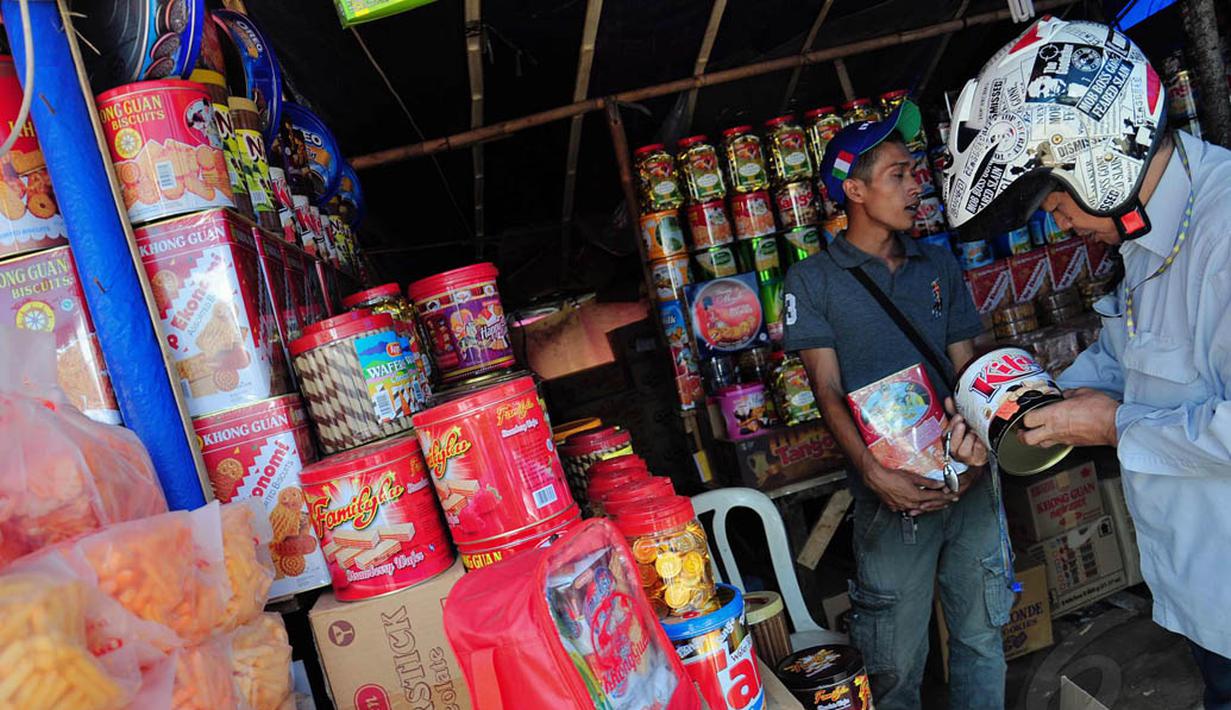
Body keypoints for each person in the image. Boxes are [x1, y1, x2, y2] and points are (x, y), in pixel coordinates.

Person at [944, 16, 1231, 708]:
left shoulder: (1221, 234)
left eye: (1055, 201)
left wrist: (1113, 428)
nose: (1059, 224)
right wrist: (1010, 411)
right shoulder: (1144, 232)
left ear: (1098, 159)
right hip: (1205, 600)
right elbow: (1120, 358)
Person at [782, 101, 1011, 710]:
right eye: (898, 175)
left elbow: (967, 367)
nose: (917, 185)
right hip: (891, 497)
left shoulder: (937, 262)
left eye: (915, 172)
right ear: (854, 190)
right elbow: (827, 391)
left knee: (981, 639)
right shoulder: (812, 282)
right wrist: (873, 472)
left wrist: (983, 443)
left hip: (970, 480)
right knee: (892, 669)